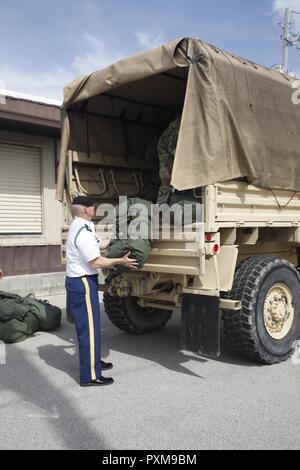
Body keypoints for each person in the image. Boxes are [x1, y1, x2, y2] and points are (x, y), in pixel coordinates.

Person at [65, 195, 138, 387]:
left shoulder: (85, 226)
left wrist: (119, 240)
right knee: (87, 330)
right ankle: (89, 376)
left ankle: (93, 362)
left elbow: (100, 244)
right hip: (81, 283)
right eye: (93, 207)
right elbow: (95, 261)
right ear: (86, 209)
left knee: (92, 327)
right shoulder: (81, 231)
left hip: (85, 281)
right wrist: (120, 261)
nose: (95, 209)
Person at [156, 116, 181, 205]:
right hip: (166, 153)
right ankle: (159, 210)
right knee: (166, 181)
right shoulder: (178, 125)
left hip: (172, 152)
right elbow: (172, 147)